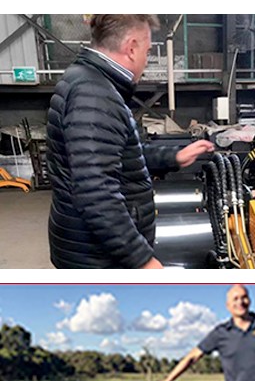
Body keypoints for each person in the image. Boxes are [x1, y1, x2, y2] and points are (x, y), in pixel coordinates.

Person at [47, 14, 214, 268]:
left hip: (87, 249)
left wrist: (173, 157)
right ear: (132, 48)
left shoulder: (90, 81)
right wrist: (143, 260)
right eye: (147, 51)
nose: (145, 61)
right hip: (95, 259)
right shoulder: (94, 95)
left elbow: (115, 158)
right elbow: (97, 193)